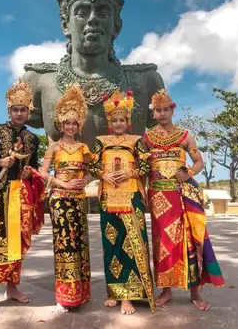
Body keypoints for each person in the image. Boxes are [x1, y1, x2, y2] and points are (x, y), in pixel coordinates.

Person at [21, 0, 165, 150]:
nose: (92, 20)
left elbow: (160, 144)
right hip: (65, 184)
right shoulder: (37, 81)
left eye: (103, 12)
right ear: (65, 23)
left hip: (126, 184)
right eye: (81, 11)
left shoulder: (146, 81)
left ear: (116, 23)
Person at [143, 89, 225, 310]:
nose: (162, 114)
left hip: (182, 197)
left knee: (190, 241)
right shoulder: (147, 138)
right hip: (159, 198)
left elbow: (199, 162)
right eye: (158, 110)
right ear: (154, 114)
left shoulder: (186, 136)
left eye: (165, 109)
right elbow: (142, 169)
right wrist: (142, 192)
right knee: (162, 244)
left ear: (172, 110)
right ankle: (166, 290)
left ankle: (195, 293)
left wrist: (189, 173)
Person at [0, 80, 45, 316]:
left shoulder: (33, 140)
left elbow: (33, 168)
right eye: (16, 109)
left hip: (20, 197)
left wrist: (27, 172)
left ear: (29, 111)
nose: (20, 113)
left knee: (17, 244)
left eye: (24, 109)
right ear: (9, 110)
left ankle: (12, 288)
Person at [90, 90, 155, 315]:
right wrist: (103, 175)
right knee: (111, 246)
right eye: (114, 120)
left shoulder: (136, 141)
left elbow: (147, 167)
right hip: (108, 198)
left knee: (131, 244)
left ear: (127, 122)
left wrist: (131, 174)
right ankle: (113, 292)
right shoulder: (101, 141)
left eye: (122, 120)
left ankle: (129, 295)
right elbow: (92, 165)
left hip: (131, 197)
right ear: (110, 121)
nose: (118, 123)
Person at [39, 84, 91, 313]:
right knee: (64, 244)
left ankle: (81, 293)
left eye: (74, 123)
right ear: (60, 124)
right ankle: (65, 295)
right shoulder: (53, 147)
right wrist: (63, 183)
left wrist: (84, 181)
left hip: (79, 199)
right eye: (66, 123)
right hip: (59, 199)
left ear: (79, 125)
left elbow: (91, 171)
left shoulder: (84, 147)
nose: (70, 126)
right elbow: (42, 173)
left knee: (80, 244)